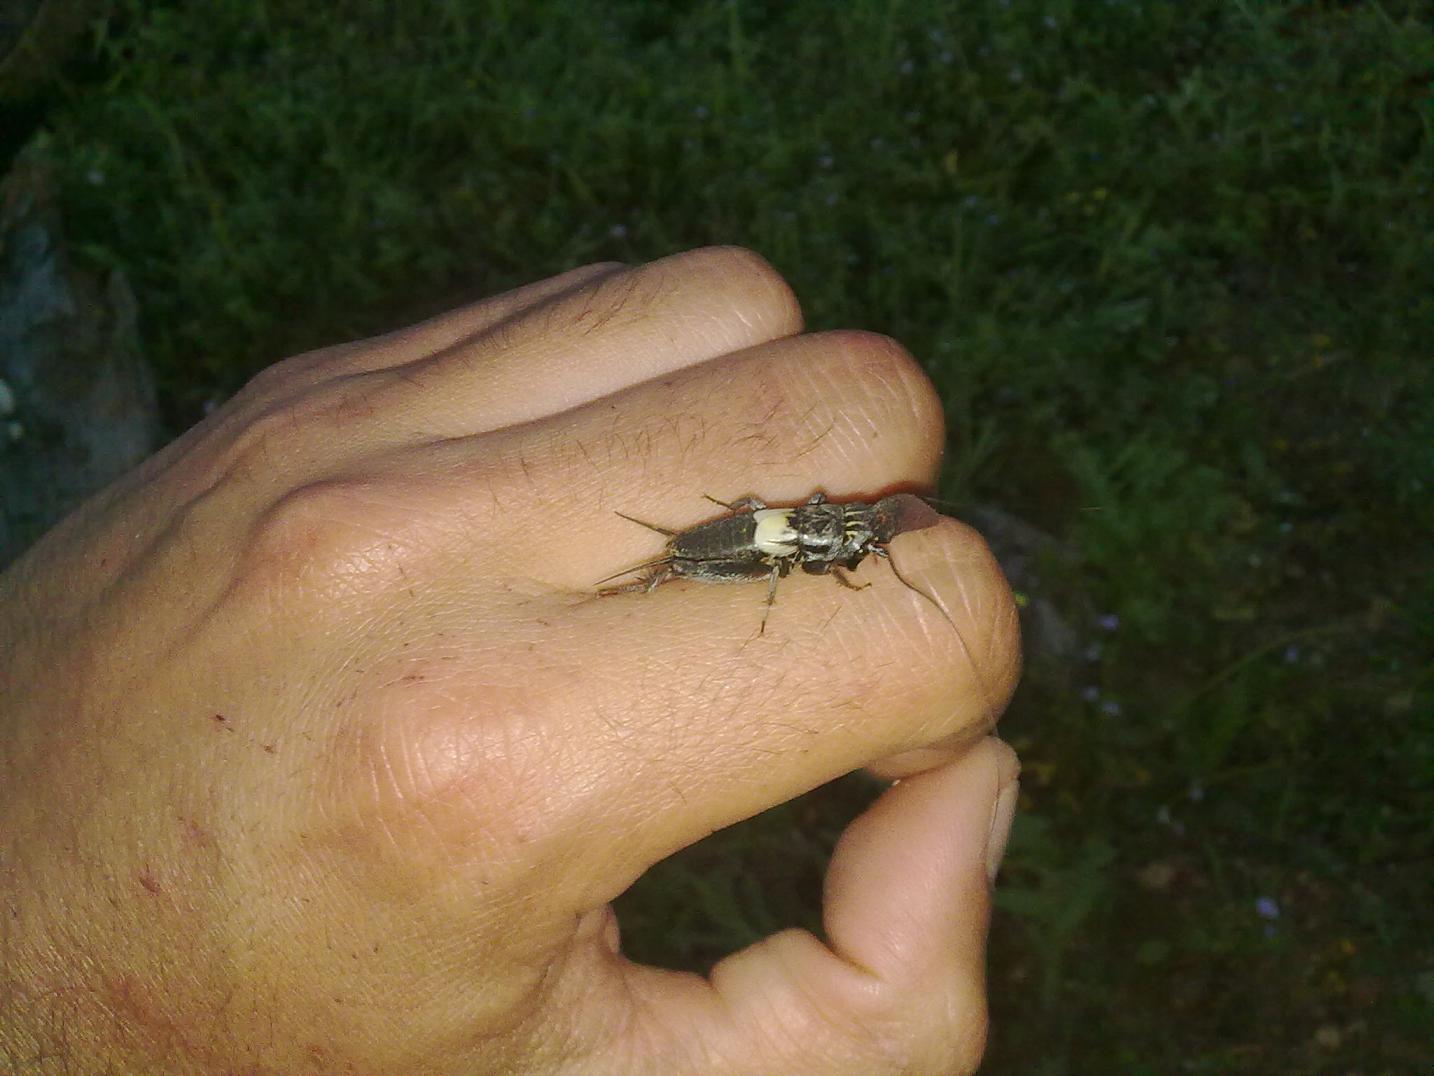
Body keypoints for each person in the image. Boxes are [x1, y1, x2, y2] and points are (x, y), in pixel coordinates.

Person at [0, 247, 1021, 1072]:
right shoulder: (824, 547)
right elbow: (792, 546)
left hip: (745, 541)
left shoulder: (817, 537)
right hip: (738, 546)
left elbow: (787, 537)